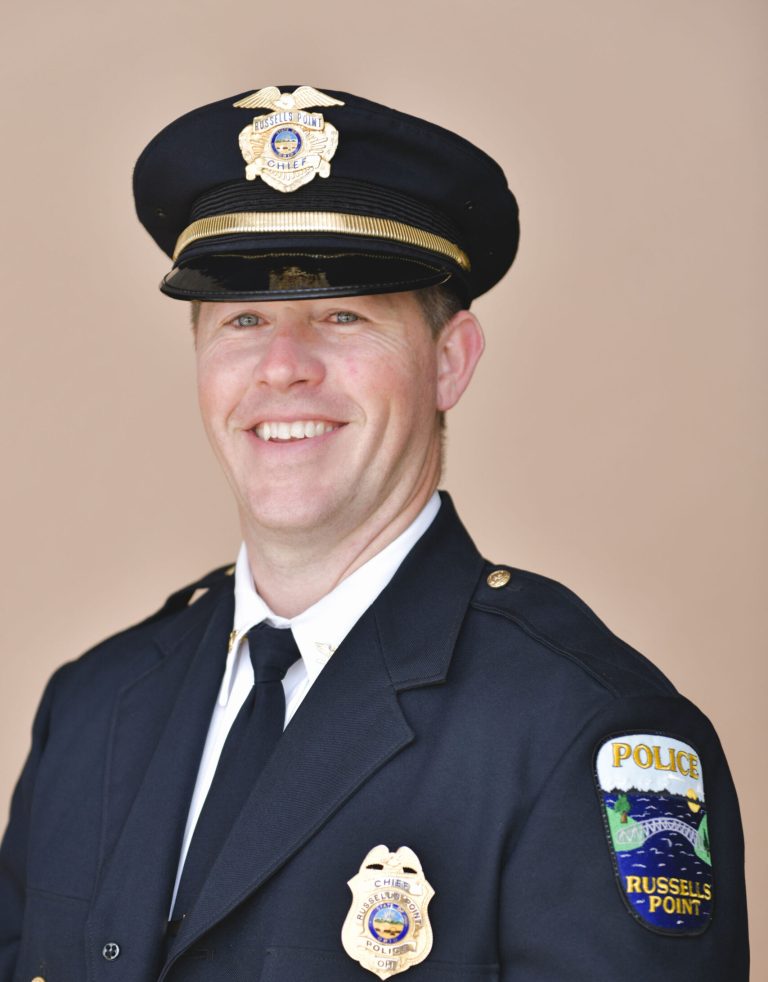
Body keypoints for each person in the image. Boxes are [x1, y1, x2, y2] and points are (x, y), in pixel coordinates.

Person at [0, 85, 748, 981]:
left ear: (449, 362)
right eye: (243, 319)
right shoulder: (92, 709)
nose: (282, 368)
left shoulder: (581, 730)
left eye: (343, 313)